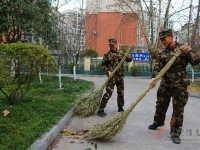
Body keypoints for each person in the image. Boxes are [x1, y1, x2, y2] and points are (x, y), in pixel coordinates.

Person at [148, 28, 200, 144]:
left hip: (179, 85)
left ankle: (175, 132)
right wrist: (154, 78)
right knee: (160, 104)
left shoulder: (183, 48)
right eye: (161, 40)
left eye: (164, 39)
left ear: (171, 37)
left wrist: (187, 52)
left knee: (178, 110)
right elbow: (157, 67)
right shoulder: (162, 52)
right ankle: (158, 122)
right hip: (165, 84)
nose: (163, 42)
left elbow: (196, 61)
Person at [97, 38, 133, 117]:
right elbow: (103, 65)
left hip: (120, 77)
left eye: (112, 45)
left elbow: (129, 60)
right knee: (108, 93)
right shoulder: (107, 55)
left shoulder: (121, 53)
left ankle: (120, 107)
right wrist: (108, 71)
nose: (111, 46)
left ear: (116, 44)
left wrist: (129, 57)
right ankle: (101, 109)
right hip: (112, 77)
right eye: (110, 45)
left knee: (121, 92)